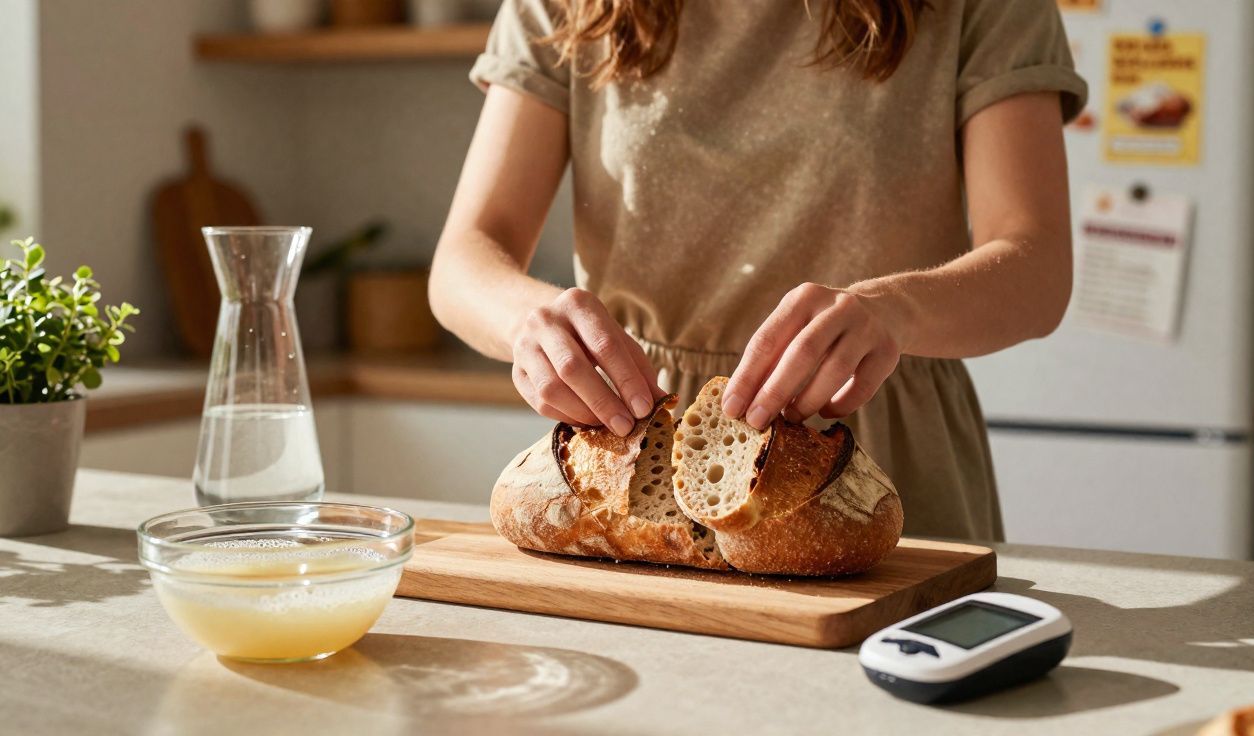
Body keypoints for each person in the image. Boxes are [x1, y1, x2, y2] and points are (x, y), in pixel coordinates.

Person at [429, 0, 1087, 541]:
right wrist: (528, 323)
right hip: (635, 447)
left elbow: (1037, 266)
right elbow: (464, 258)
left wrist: (893, 311)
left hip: (877, 454)